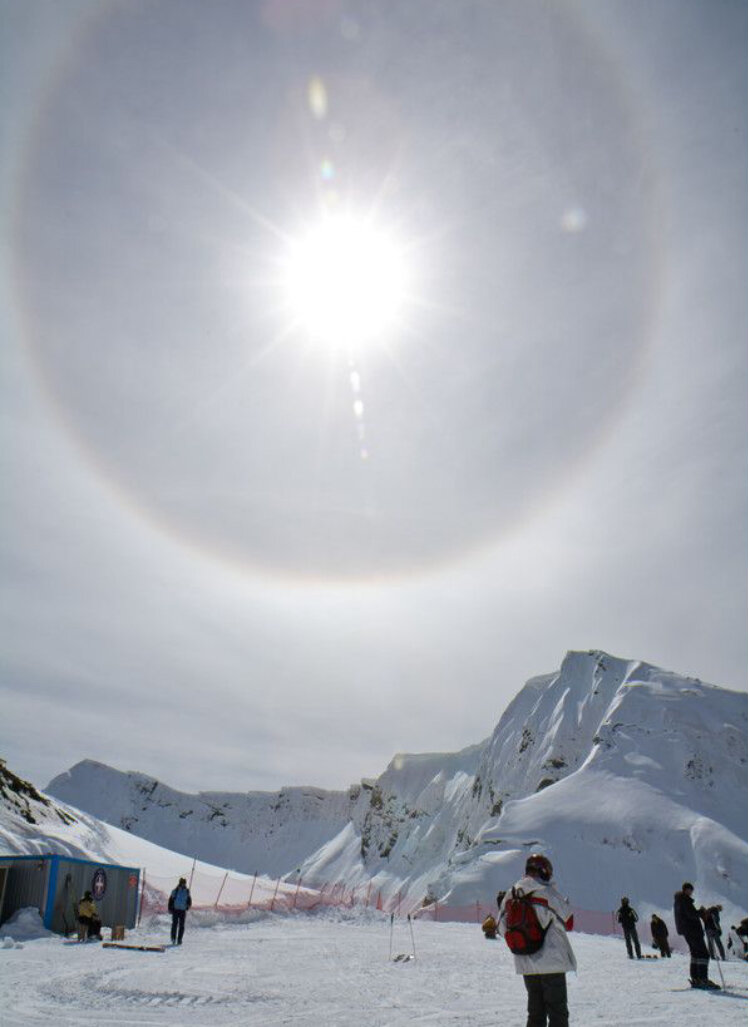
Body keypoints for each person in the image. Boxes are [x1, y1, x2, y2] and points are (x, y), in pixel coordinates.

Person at [499, 853, 576, 1027]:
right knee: (557, 1014)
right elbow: (569, 922)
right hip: (552, 962)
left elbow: (501, 925)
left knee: (535, 1014)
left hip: (526, 963)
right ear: (543, 871)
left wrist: (524, 941)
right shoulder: (547, 893)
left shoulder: (511, 894)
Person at [673, 882, 718, 989]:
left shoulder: (679, 901)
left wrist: (698, 912)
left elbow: (688, 914)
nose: (691, 892)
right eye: (690, 890)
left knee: (696, 953)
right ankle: (703, 979)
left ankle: (696, 977)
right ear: (686, 890)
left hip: (687, 931)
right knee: (703, 954)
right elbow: (691, 914)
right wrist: (701, 912)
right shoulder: (684, 900)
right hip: (693, 930)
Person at [168, 876, 192, 945]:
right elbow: (171, 900)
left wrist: (188, 906)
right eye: (182, 883)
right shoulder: (175, 891)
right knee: (174, 925)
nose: (183, 884)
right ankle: (173, 938)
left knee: (182, 926)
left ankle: (179, 939)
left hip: (182, 911)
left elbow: (189, 900)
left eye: (184, 883)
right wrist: (170, 908)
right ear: (180, 883)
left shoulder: (187, 891)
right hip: (175, 910)